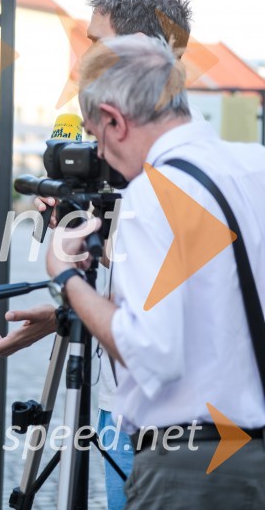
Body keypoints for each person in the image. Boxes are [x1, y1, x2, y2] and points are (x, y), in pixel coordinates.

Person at [0, 0, 198, 510]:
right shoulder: (125, 155)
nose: (81, 62)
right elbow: (135, 281)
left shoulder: (184, 172)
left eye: (95, 43)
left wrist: (70, 286)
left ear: (140, 54)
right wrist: (62, 313)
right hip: (120, 405)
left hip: (173, 427)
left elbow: (178, 318)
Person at [49, 33, 265, 508]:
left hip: (190, 466)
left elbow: (151, 350)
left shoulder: (153, 194)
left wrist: (67, 277)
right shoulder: (255, 167)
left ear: (114, 120)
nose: (99, 156)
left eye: (96, 136)